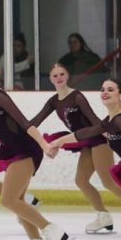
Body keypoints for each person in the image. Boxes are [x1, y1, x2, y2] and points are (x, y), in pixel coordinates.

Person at [0, 56, 72, 240]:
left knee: (8, 200)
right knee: (18, 201)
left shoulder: (0, 97)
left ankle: (53, 231)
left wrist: (44, 145)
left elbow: (25, 123)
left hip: (25, 150)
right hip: (12, 152)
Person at [30, 64, 117, 234]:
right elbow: (36, 120)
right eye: (55, 75)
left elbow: (94, 120)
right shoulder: (54, 101)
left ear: (67, 75)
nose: (59, 78)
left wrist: (112, 138)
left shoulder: (77, 96)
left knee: (109, 182)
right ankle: (103, 215)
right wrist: (19, 130)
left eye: (62, 74)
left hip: (99, 140)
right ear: (51, 79)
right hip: (85, 143)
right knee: (81, 180)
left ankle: (103, 215)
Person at [49, 78, 121, 232]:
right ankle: (103, 215)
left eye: (111, 89)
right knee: (85, 180)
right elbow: (84, 133)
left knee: (110, 182)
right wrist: (58, 142)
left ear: (119, 94)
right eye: (103, 89)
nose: (105, 93)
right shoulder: (109, 121)